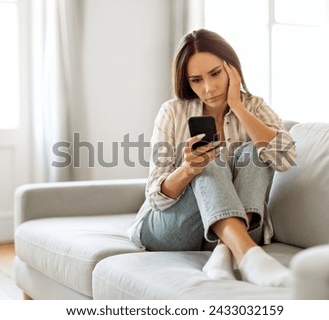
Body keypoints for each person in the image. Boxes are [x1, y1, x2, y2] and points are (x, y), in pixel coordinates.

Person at [127, 29, 296, 287]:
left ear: (233, 69)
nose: (208, 88)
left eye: (215, 73)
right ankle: (250, 256)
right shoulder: (172, 112)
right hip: (174, 226)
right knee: (209, 160)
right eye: (196, 80)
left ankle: (224, 250)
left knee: (256, 151)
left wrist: (238, 106)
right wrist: (187, 170)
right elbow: (154, 196)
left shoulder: (255, 107)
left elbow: (285, 158)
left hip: (240, 224)